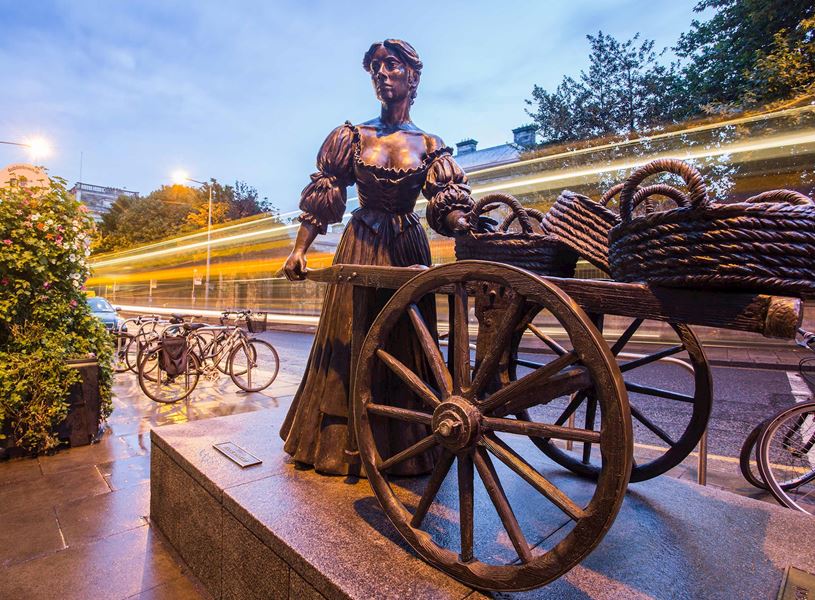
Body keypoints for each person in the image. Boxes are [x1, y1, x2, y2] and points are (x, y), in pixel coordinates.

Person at [280, 39, 473, 476]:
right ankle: (338, 445)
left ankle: (404, 443)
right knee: (352, 341)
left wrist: (463, 222)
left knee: (407, 341)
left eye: (392, 65)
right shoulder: (352, 137)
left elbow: (445, 200)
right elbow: (325, 195)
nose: (382, 74)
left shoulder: (429, 143)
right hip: (362, 243)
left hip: (407, 247)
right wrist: (299, 250)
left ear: (413, 77)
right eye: (375, 69)